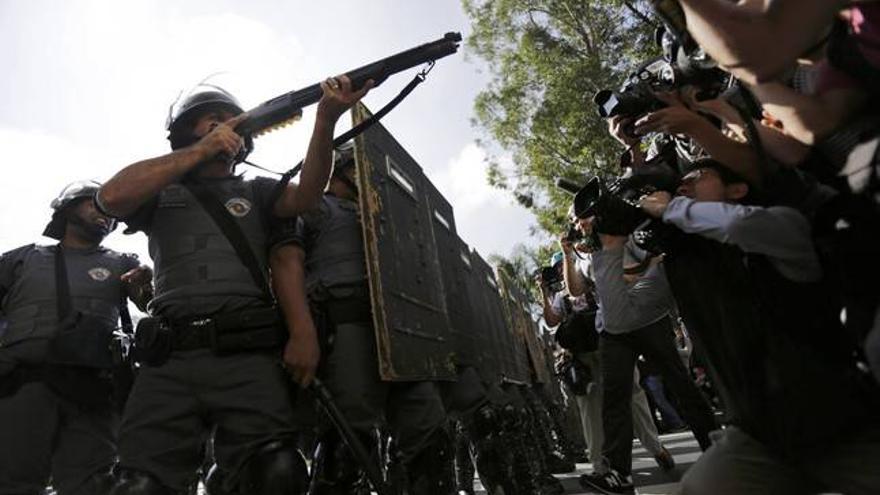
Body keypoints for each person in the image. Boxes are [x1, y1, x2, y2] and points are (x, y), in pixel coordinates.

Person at [98, 75, 371, 495]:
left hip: (246, 355)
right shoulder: (159, 187)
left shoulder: (257, 190)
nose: (226, 124)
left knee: (276, 471)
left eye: (231, 120)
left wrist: (325, 119)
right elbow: (111, 198)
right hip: (169, 359)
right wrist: (202, 150)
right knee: (139, 485)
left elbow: (307, 198)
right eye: (213, 119)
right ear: (186, 129)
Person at [639, 158, 880, 494]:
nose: (683, 185)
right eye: (680, 184)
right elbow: (623, 317)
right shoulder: (685, 264)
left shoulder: (782, 224)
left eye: (697, 176)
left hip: (840, 422)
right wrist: (608, 247)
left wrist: (672, 209)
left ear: (737, 189)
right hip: (763, 436)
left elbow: (738, 227)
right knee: (703, 486)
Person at [276, 144, 454, 493]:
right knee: (346, 448)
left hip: (403, 331)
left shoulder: (388, 215)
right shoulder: (315, 207)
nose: (365, 174)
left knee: (430, 438)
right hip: (346, 329)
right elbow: (286, 265)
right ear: (339, 171)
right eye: (357, 168)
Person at [0, 181, 151, 495]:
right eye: (94, 204)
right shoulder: (22, 259)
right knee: (15, 481)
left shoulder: (124, 262)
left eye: (111, 211)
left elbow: (149, 301)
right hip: (25, 382)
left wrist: (143, 284)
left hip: (92, 388)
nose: (105, 214)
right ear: (67, 208)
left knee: (93, 483)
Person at [567, 216, 716, 494]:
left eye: (583, 217)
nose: (579, 223)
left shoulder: (623, 235)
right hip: (613, 328)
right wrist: (568, 255)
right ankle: (618, 473)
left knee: (679, 383)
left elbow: (653, 261)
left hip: (647, 317)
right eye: (575, 220)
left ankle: (713, 444)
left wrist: (614, 265)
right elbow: (575, 289)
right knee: (615, 396)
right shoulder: (584, 256)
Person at [540, 251, 675, 477]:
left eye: (566, 263)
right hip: (583, 359)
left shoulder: (590, 274)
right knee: (591, 411)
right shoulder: (560, 296)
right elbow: (551, 320)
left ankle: (655, 448)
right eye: (559, 268)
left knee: (632, 396)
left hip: (611, 347)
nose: (563, 270)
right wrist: (543, 293)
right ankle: (600, 466)